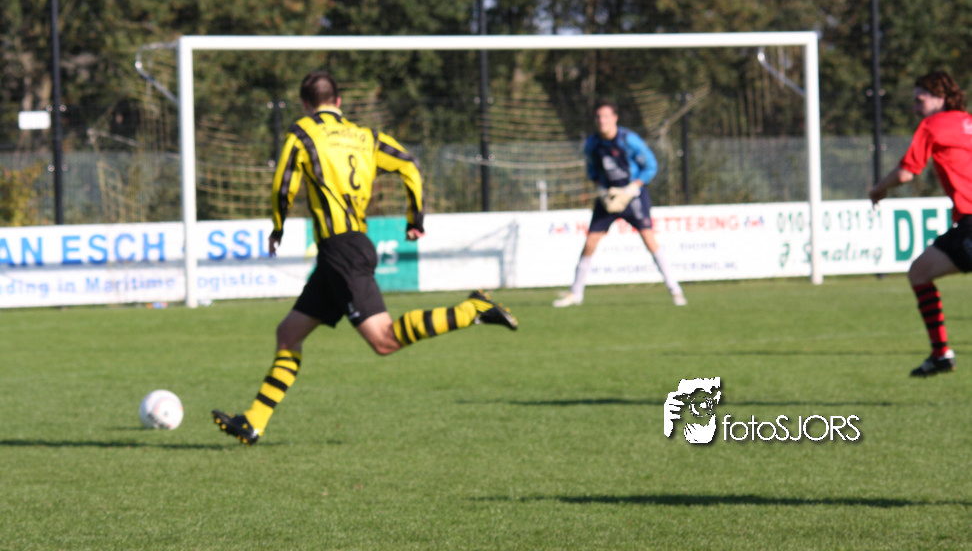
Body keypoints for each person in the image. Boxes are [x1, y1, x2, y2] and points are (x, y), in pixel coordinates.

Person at [212, 71, 518, 445]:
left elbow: (283, 183)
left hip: (342, 251)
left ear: (305, 104)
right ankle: (253, 422)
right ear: (338, 102)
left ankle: (472, 309)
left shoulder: (303, 133)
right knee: (288, 333)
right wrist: (415, 218)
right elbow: (409, 163)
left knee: (384, 340)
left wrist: (278, 226)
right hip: (344, 249)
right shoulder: (366, 136)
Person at [869, 70, 972, 377]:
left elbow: (906, 172)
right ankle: (940, 355)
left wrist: (878, 189)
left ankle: (941, 354)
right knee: (920, 271)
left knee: (919, 273)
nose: (915, 108)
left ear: (941, 97)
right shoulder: (968, 122)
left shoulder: (932, 125)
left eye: (920, 100)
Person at [554, 100, 686, 308]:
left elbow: (651, 165)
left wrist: (633, 187)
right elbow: (592, 170)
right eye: (598, 117)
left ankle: (675, 290)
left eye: (606, 116)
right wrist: (601, 189)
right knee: (590, 242)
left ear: (615, 118)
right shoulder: (592, 143)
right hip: (608, 197)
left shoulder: (628, 139)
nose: (602, 121)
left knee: (649, 240)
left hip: (632, 196)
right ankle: (576, 293)